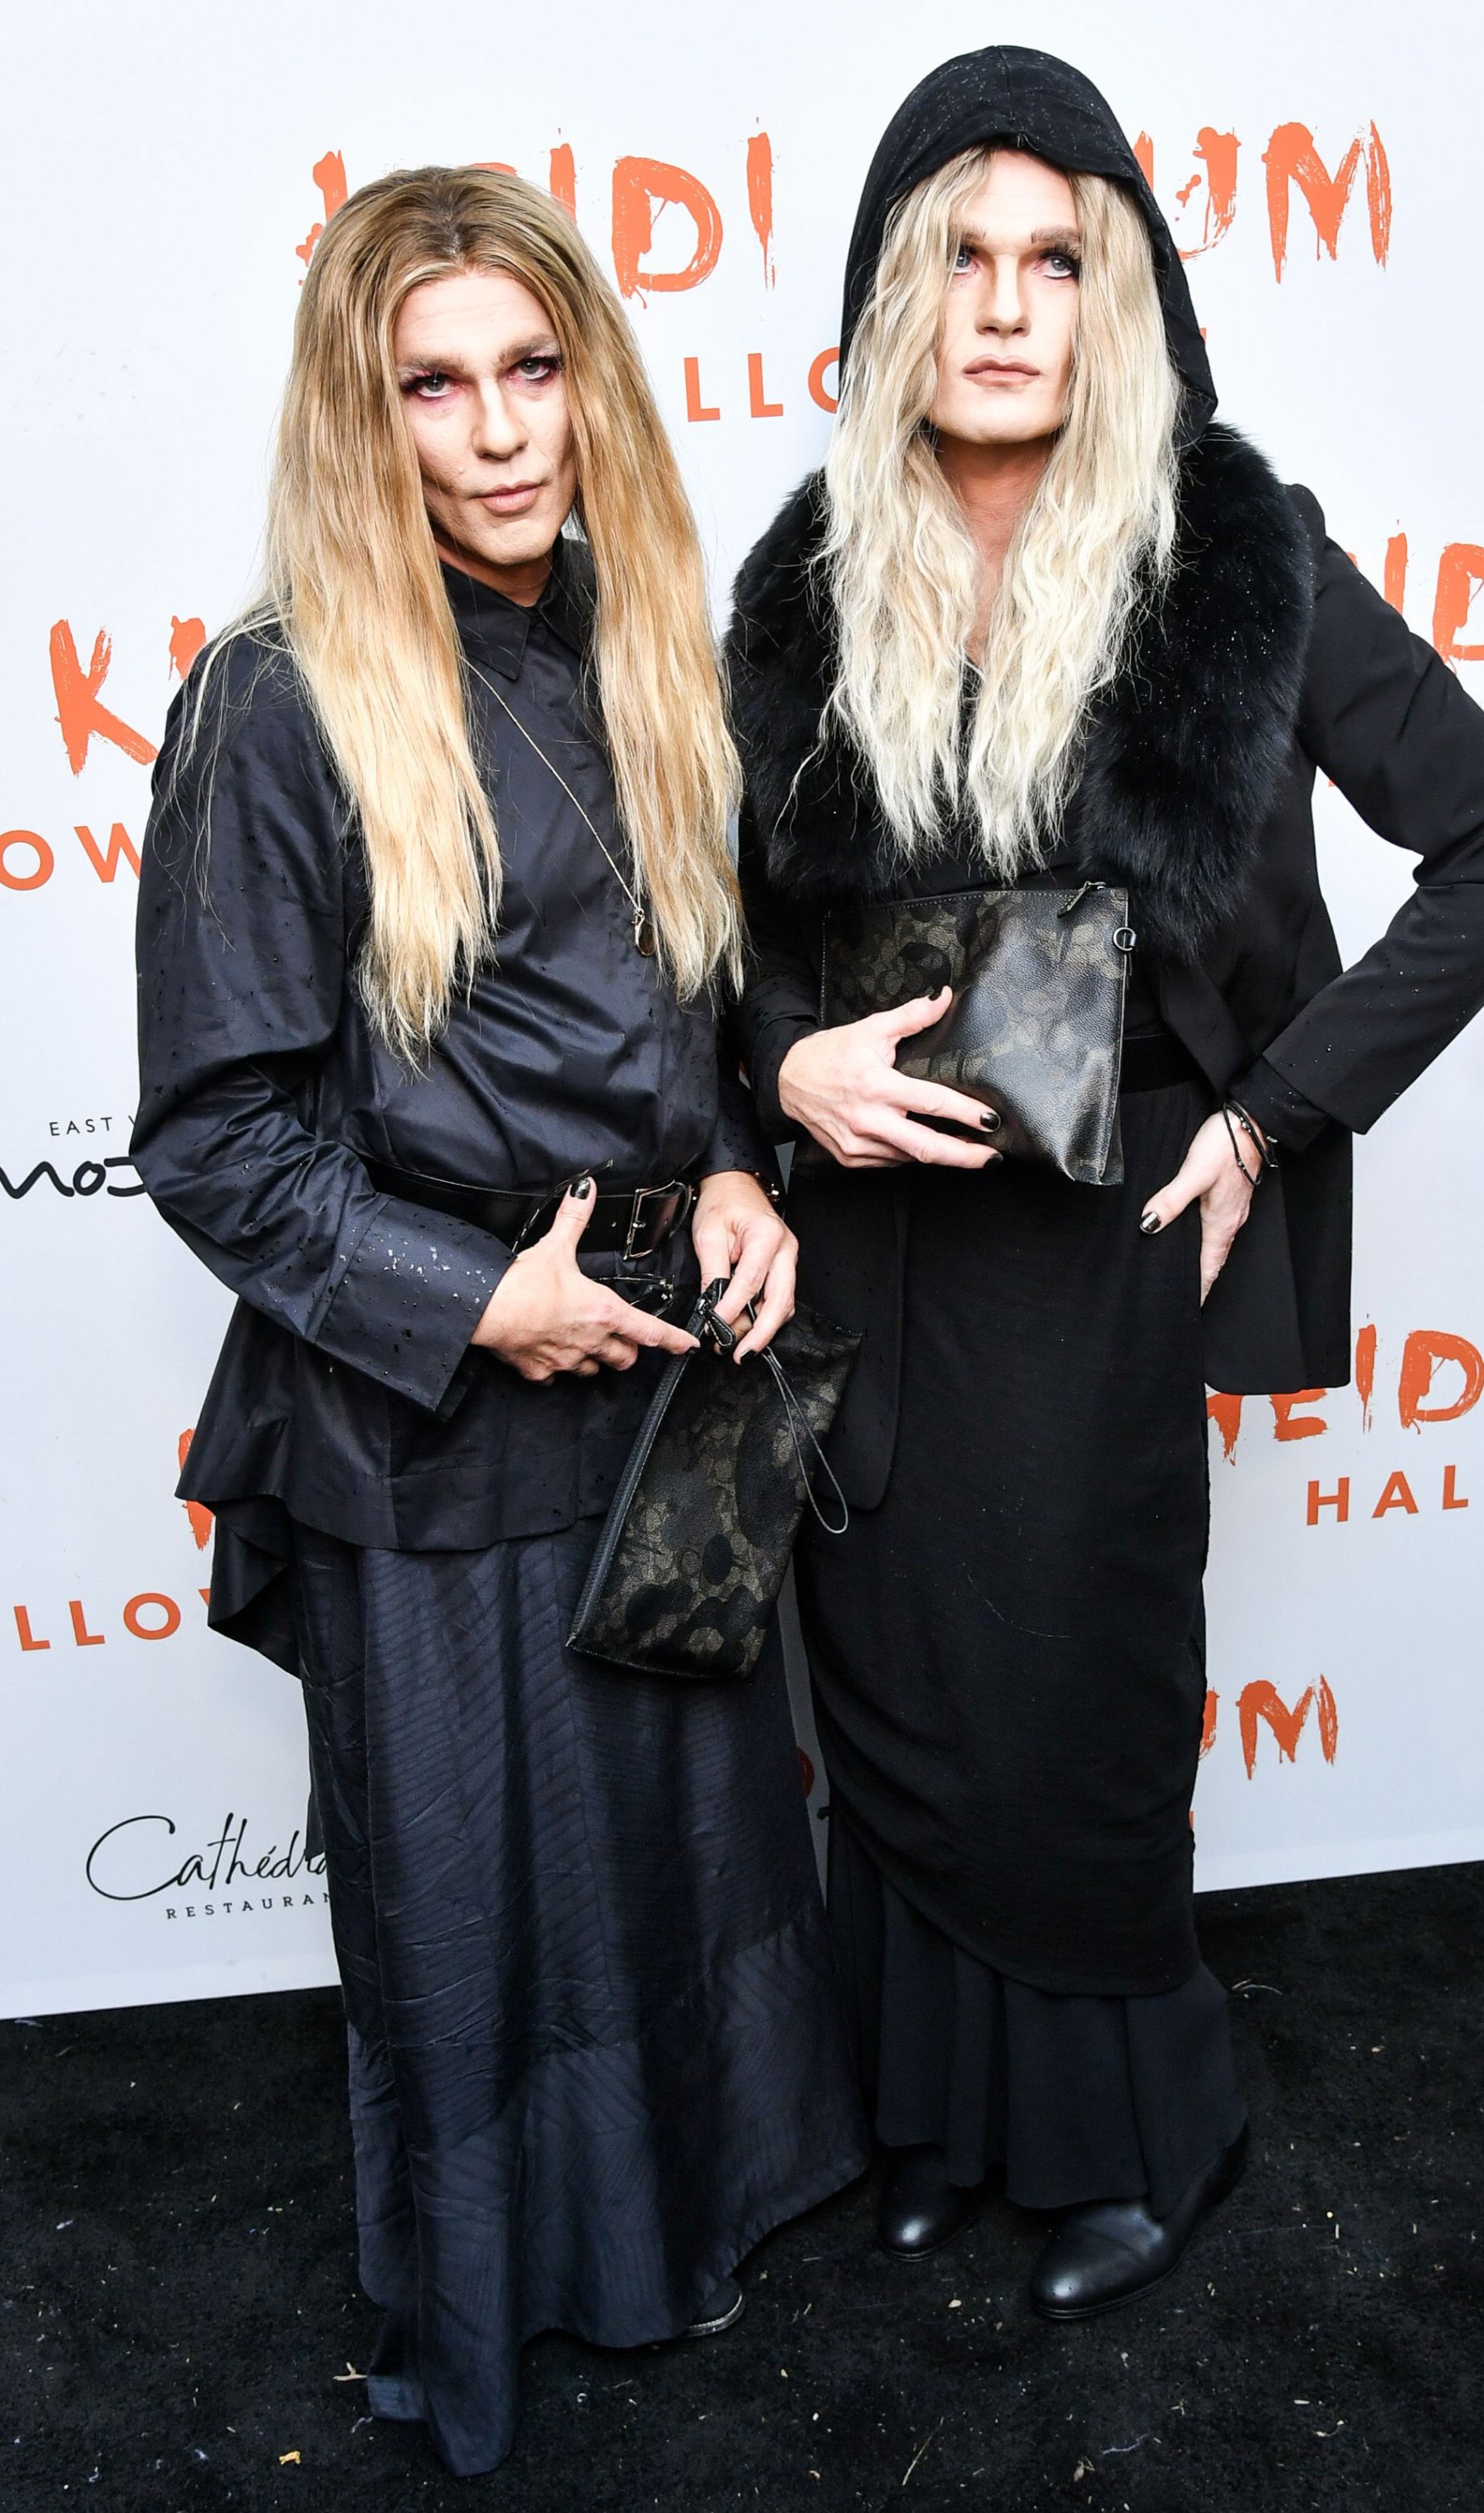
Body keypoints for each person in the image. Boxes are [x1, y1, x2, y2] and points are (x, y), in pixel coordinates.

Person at [726, 47, 1484, 2323]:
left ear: (1122, 298)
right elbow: (717, 941)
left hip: (1096, 1256)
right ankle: (939, 2125)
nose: (1009, 307)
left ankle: (1139, 2136)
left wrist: (1274, 1109)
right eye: (962, 258)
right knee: (890, 1696)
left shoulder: (1235, 560)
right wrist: (786, 1061)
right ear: (894, 297)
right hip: (862, 1247)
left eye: (1057, 260)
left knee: (1072, 1707)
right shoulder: (805, 581)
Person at [132, 164, 864, 2477]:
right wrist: (478, 1301)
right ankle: (489, 2318)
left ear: (592, 380)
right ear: (362, 421)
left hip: (661, 1380)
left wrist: (735, 1162)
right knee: (471, 1918)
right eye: (431, 388)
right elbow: (220, 1136)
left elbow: (694, 1014)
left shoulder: (647, 638)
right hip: (427, 1417)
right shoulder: (269, 705)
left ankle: (680, 2250)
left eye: (532, 369)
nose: (496, 430)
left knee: (680, 1860)